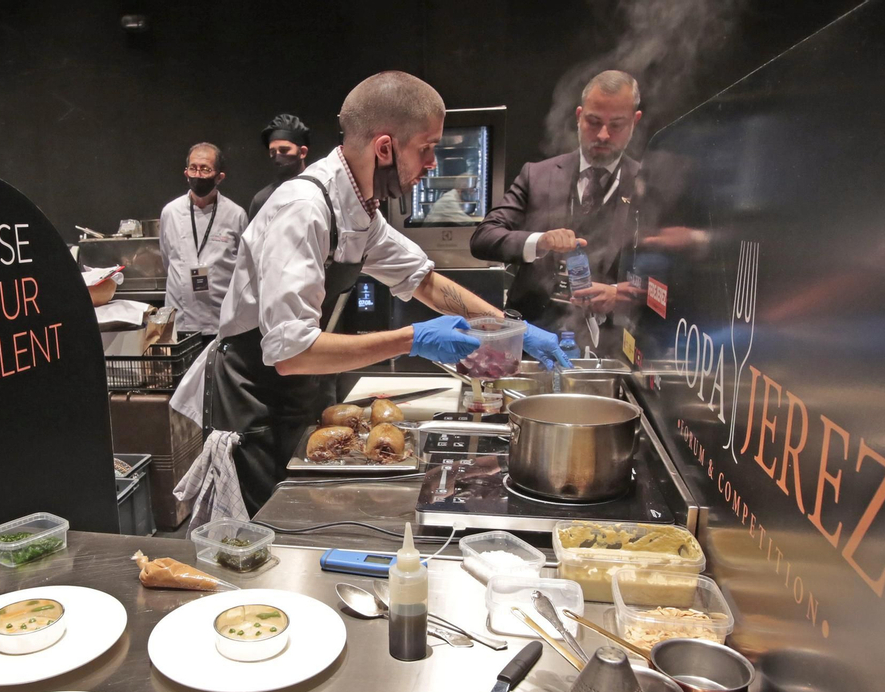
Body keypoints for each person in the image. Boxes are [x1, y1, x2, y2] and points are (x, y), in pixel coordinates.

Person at [207, 71, 569, 514]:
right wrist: (412, 338)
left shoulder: (359, 207)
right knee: (270, 527)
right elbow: (290, 352)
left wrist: (512, 330)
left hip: (300, 388)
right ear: (384, 148)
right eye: (426, 147)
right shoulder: (302, 210)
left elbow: (425, 281)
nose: (432, 163)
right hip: (255, 398)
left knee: (312, 510)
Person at [469, 70, 645, 331]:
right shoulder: (537, 175)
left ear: (634, 122)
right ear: (579, 116)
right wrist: (539, 241)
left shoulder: (647, 184)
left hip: (611, 340)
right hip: (532, 334)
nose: (603, 135)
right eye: (593, 121)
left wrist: (621, 294)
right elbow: (483, 238)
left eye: (616, 125)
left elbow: (673, 280)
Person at [158, 143, 247, 338]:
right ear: (186, 173)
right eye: (193, 168)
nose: (198, 174)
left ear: (219, 177)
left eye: (205, 169)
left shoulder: (235, 214)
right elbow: (167, 259)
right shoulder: (170, 212)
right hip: (181, 319)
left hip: (222, 320)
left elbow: (243, 267)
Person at [248, 113, 310, 221]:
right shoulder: (262, 200)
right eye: (273, 152)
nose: (278, 157)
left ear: (302, 152)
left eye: (284, 150)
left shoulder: (321, 191)